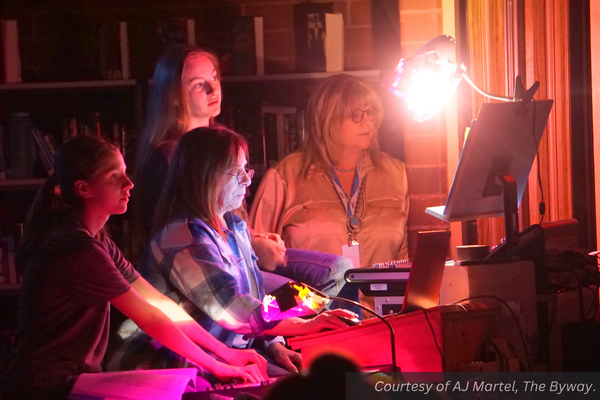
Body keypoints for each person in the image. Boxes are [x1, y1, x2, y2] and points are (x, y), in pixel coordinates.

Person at [0, 136, 267, 400]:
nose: (129, 184)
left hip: (76, 379)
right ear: (84, 189)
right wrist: (219, 365)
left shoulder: (97, 238)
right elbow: (148, 318)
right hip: (45, 387)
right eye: (114, 176)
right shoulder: (75, 248)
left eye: (125, 172)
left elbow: (160, 303)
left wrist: (227, 353)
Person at [112, 127, 357, 377]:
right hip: (166, 365)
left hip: (220, 356)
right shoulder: (184, 238)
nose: (248, 180)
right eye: (236, 172)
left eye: (246, 169)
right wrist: (310, 319)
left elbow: (255, 297)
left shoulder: (234, 226)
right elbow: (236, 312)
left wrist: (276, 344)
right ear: (204, 176)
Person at [134, 44, 357, 303]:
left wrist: (256, 237)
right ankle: (296, 333)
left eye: (214, 78)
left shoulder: (224, 143)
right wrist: (252, 247)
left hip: (243, 252)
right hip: (216, 266)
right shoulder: (166, 159)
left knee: (342, 270)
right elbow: (184, 241)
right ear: (173, 95)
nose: (212, 89)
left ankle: (332, 335)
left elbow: (230, 215)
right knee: (310, 292)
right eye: (198, 84)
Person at [249, 74, 409, 310]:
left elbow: (403, 257)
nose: (368, 123)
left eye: (371, 113)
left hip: (385, 322)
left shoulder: (395, 174)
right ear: (328, 120)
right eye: (357, 115)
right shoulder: (285, 176)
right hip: (314, 325)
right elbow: (255, 263)